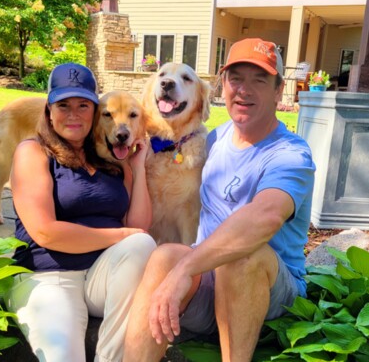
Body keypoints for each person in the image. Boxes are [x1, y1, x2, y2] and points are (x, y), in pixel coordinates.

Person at [123, 38, 316, 362]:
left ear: (279, 90)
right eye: (236, 78)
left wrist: (188, 267)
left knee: (240, 256)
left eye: (260, 80)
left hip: (268, 291)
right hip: (208, 282)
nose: (244, 90)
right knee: (166, 255)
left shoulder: (290, 154)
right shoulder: (217, 138)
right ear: (222, 86)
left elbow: (265, 218)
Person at [5, 63, 156, 362]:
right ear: (49, 111)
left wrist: (137, 170)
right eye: (63, 105)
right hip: (48, 277)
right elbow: (45, 231)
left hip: (100, 277)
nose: (73, 114)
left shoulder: (109, 158)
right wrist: (120, 234)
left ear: (94, 113)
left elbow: (139, 229)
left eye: (83, 105)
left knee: (142, 244)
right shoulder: (32, 152)